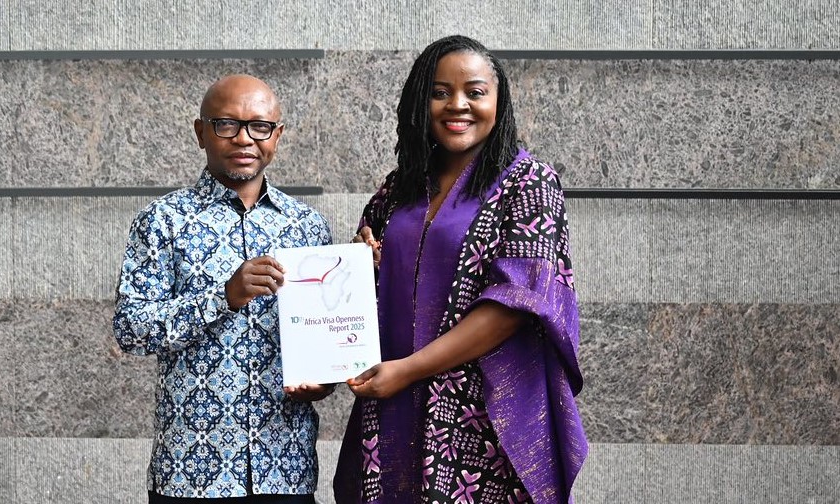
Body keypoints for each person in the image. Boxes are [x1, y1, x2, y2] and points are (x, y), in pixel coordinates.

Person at [333, 35, 588, 504]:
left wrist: (408, 371)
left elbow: (516, 304)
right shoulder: (399, 189)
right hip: (392, 402)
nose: (458, 105)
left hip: (479, 415)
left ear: (498, 100)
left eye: (475, 91)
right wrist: (362, 262)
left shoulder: (528, 183)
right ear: (419, 102)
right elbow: (358, 296)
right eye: (440, 92)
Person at [113, 74, 334, 504]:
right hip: (192, 472)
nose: (244, 138)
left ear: (278, 135)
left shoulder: (307, 226)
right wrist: (223, 296)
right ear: (201, 132)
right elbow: (130, 329)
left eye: (260, 126)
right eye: (226, 124)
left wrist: (324, 381)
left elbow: (324, 333)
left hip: (285, 467)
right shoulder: (162, 221)